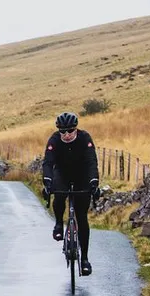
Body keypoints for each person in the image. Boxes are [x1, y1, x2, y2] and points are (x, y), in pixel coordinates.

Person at [42, 112, 100, 276]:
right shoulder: (54, 140)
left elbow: (91, 162)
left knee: (82, 217)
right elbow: (48, 162)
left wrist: (94, 183)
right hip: (62, 174)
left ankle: (85, 259)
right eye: (62, 131)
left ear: (76, 129)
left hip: (82, 176)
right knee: (58, 194)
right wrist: (47, 182)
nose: (66, 135)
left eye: (70, 131)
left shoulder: (85, 138)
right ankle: (59, 223)